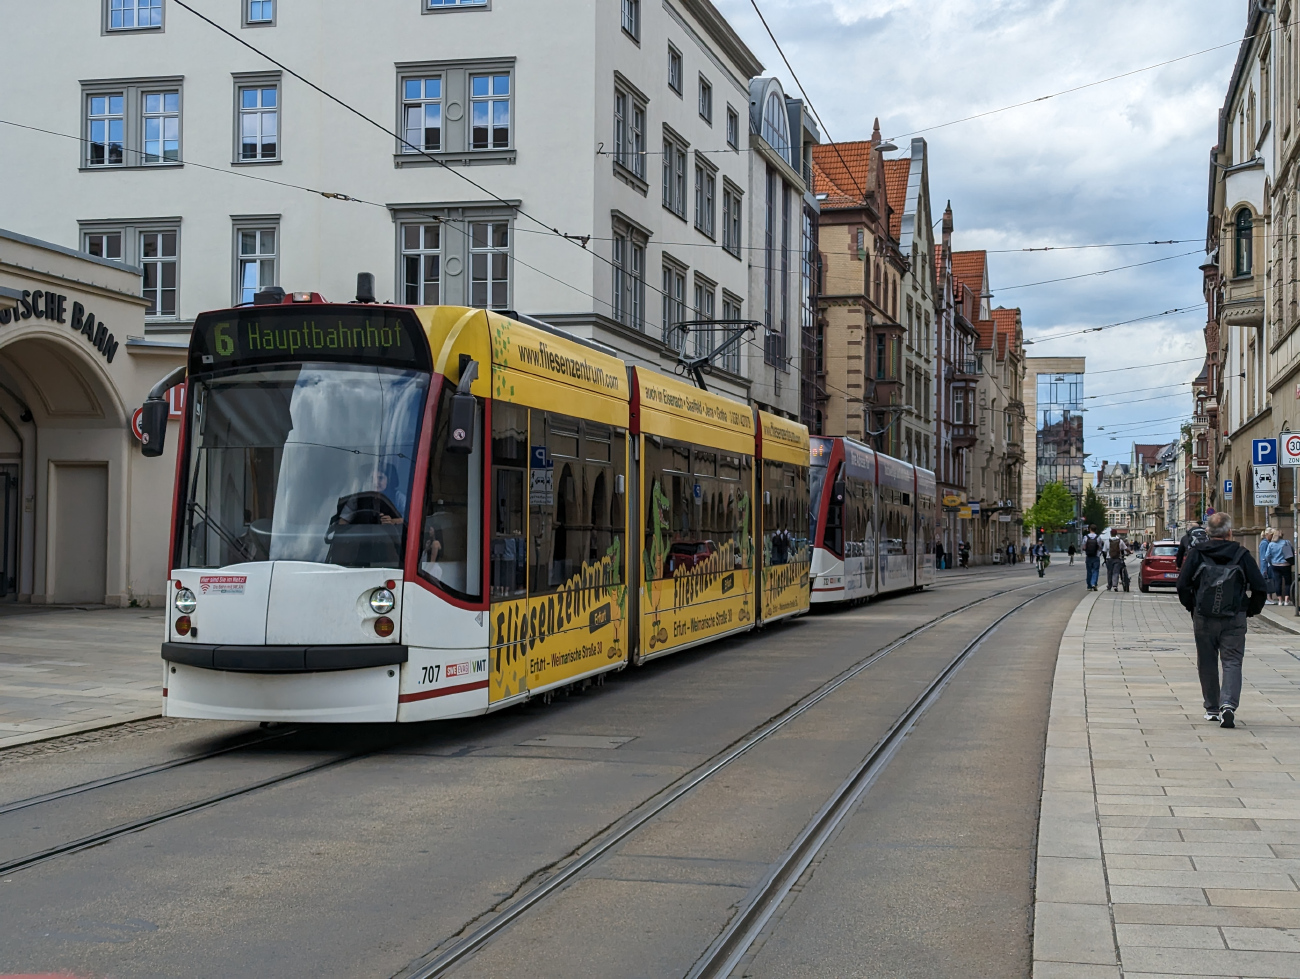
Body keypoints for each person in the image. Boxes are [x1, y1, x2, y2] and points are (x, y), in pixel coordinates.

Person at [1176, 511, 1268, 728]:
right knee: (1232, 661)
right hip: (1234, 616)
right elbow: (1260, 587)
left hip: (1204, 616)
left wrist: (1193, 606)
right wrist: (1248, 610)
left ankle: (1212, 708)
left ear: (1208, 532)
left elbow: (1182, 585)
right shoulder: (1242, 554)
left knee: (1206, 661)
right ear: (1229, 532)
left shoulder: (1197, 553)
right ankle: (1228, 704)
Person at [1272, 531, 1295, 606]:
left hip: (1275, 565)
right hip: (1286, 564)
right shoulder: (1287, 542)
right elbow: (1291, 552)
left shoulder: (1271, 544)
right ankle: (1286, 600)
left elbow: (1267, 555)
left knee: (1277, 582)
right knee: (1288, 582)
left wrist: (1272, 561)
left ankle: (1279, 600)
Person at [1083, 526, 1102, 591]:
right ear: (1095, 530)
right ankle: (1094, 583)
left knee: (1089, 571)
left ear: (1089, 529)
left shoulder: (1086, 537)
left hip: (1088, 556)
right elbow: (1100, 547)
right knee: (1095, 570)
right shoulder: (1098, 537)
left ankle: (1089, 586)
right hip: (1096, 556)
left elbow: (1084, 546)